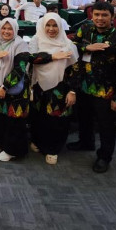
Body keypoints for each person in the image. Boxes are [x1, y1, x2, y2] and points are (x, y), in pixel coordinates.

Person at [67, 2, 116, 173]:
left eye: (104, 15)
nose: (100, 18)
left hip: (106, 90)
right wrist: (86, 47)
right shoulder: (85, 29)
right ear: (91, 15)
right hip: (83, 85)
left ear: (113, 16)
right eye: (96, 15)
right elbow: (72, 45)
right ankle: (85, 142)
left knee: (106, 126)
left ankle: (104, 156)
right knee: (84, 118)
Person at [29, 13, 79, 164]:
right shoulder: (36, 39)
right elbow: (31, 58)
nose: (51, 29)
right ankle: (37, 141)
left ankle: (53, 149)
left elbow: (75, 69)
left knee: (56, 119)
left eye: (55, 25)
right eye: (48, 25)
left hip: (60, 87)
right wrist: (52, 57)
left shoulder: (67, 44)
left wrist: (72, 91)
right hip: (39, 85)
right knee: (38, 115)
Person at [0, 18, 32, 162]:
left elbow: (20, 69)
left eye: (10, 29)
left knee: (13, 121)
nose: (6, 31)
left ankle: (12, 150)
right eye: (3, 28)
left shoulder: (20, 44)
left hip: (13, 90)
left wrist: (5, 87)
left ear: (15, 30)